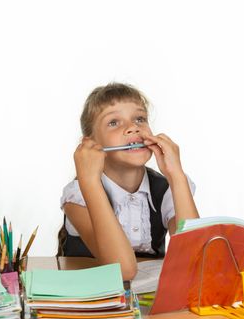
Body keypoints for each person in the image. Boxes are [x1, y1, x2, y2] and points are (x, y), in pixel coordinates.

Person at [59, 82, 199, 280]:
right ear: (90, 144)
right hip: (91, 304)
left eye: (140, 119)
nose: (133, 127)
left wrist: (176, 175)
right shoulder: (79, 194)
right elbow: (123, 270)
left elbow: (195, 258)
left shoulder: (167, 188)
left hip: (150, 303)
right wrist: (89, 180)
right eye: (114, 122)